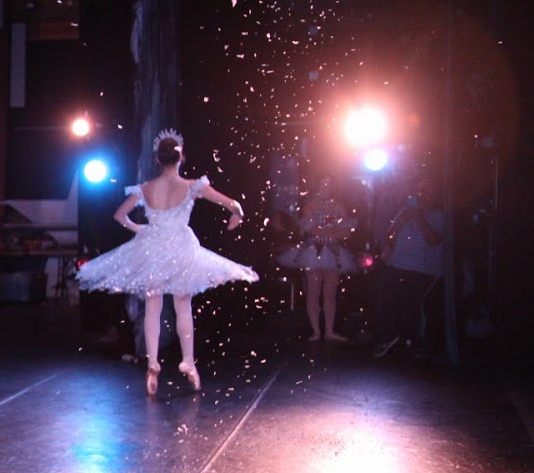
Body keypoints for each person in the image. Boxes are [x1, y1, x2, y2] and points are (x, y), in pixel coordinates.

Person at [76, 128, 255, 395]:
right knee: (183, 305)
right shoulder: (192, 186)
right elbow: (234, 205)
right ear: (181, 157)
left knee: (153, 306)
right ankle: (188, 361)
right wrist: (236, 216)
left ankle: (153, 363)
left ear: (157, 160)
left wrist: (140, 229)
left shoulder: (146, 188)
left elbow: (119, 215)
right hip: (181, 247)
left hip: (153, 246)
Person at [277, 176, 358, 341]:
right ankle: (316, 330)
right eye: (323, 184)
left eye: (329, 184)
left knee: (330, 293)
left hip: (333, 251)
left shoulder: (339, 207)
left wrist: (329, 232)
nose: (326, 187)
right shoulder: (310, 206)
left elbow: (346, 232)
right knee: (313, 292)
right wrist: (333, 231)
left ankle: (329, 330)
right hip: (315, 251)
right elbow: (313, 230)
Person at [374, 174, 443, 358]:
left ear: (435, 195)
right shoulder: (403, 213)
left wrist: (419, 217)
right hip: (396, 265)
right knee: (385, 300)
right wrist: (400, 222)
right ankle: (388, 338)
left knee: (411, 305)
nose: (422, 194)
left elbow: (434, 240)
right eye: (419, 190)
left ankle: (415, 342)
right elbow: (389, 240)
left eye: (427, 191)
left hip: (421, 269)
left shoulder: (437, 216)